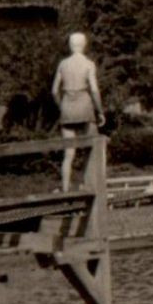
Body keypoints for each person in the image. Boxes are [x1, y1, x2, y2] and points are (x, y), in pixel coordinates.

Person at [51, 32, 106, 192]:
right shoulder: (89, 64)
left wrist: (61, 106)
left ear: (70, 45)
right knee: (92, 149)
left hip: (67, 107)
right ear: (84, 45)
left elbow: (54, 91)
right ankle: (91, 186)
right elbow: (94, 90)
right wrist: (100, 111)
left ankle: (66, 189)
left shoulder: (63, 64)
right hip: (85, 107)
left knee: (68, 154)